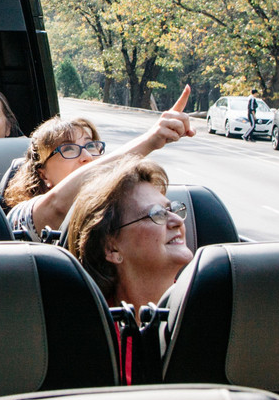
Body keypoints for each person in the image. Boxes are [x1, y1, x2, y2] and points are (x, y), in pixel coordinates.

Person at [2, 85, 195, 241]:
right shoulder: (22, 217)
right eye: (68, 149)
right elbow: (57, 205)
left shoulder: (118, 216)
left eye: (92, 146)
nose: (87, 156)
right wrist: (150, 140)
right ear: (43, 173)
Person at [64, 155, 194, 383]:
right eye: (157, 214)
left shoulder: (203, 312)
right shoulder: (86, 337)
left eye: (172, 209)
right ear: (111, 247)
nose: (177, 221)